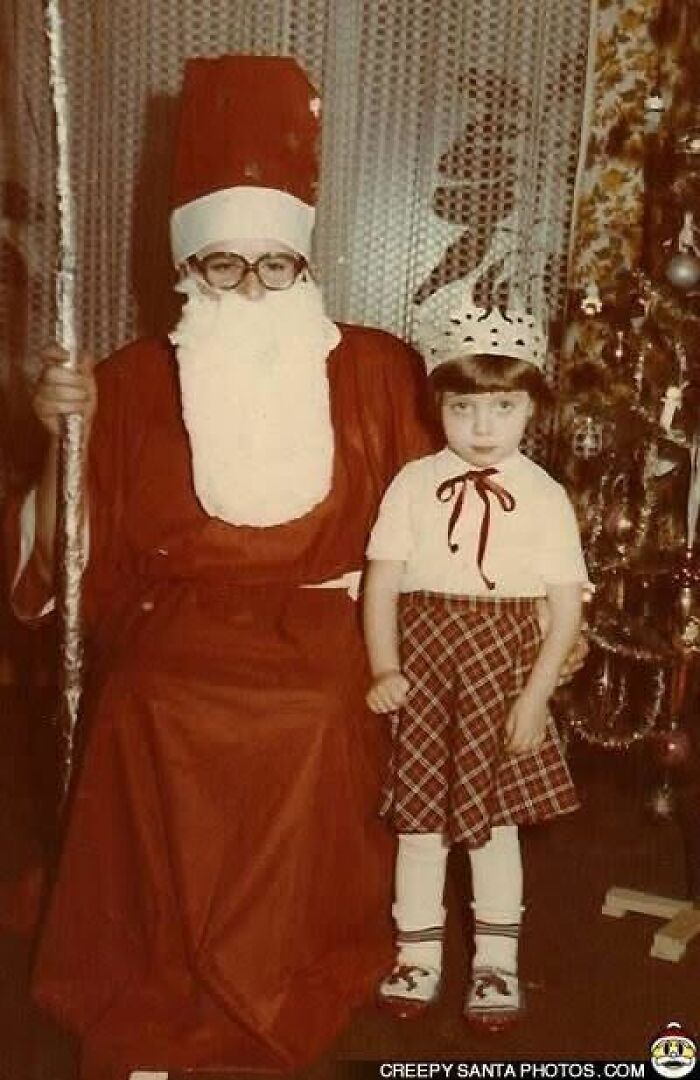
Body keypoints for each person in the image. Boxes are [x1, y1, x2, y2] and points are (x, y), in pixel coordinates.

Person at [7, 55, 434, 1078]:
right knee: (143, 701)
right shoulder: (127, 378)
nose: (251, 287)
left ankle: (265, 984)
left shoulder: (375, 368)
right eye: (223, 267)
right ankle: (161, 964)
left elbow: (431, 516)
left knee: (312, 720)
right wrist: (61, 444)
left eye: (273, 265)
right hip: (180, 624)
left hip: (327, 622)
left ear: (305, 266)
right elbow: (62, 565)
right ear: (185, 271)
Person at [362, 303, 588, 1030]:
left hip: (504, 668)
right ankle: (417, 953)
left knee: (495, 827)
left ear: (532, 408)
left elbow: (564, 607)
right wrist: (384, 665)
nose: (483, 428)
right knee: (419, 825)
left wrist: (536, 697)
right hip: (428, 666)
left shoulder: (547, 496)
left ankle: (496, 962)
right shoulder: (411, 482)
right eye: (464, 408)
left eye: (503, 407)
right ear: (439, 407)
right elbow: (383, 582)